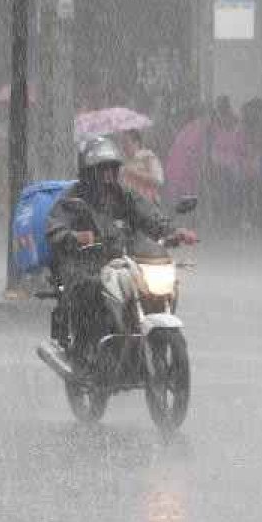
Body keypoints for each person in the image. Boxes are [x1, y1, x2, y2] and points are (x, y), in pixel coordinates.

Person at [45, 137, 196, 366]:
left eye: (111, 169)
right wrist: (74, 237)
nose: (108, 176)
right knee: (92, 291)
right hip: (85, 265)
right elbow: (55, 228)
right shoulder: (73, 198)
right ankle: (84, 352)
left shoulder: (125, 195)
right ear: (89, 172)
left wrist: (174, 231)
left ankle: (137, 338)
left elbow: (151, 217)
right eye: (102, 170)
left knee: (155, 288)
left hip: (123, 262)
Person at [118, 129, 165, 205]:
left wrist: (134, 172)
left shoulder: (147, 157)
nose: (123, 146)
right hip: (131, 206)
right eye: (122, 143)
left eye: (126, 142)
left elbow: (157, 180)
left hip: (148, 204)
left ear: (136, 143)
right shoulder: (125, 164)